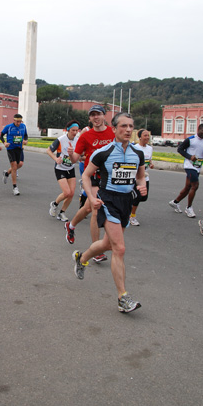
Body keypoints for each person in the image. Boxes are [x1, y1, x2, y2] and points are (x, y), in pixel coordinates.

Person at [72, 112, 146, 313]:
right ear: (114, 129)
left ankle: (82, 258)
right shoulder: (103, 152)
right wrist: (92, 197)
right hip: (108, 200)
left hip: (125, 202)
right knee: (119, 248)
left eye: (131, 126)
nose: (128, 130)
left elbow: (140, 176)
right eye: (123, 126)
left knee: (107, 244)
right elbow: (86, 176)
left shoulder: (137, 153)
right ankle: (123, 297)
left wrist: (141, 186)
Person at [64, 105, 115, 258]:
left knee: (87, 208)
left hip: (109, 176)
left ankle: (70, 225)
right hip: (91, 174)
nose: (95, 117)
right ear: (89, 118)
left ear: (104, 116)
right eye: (92, 115)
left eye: (98, 114)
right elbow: (75, 159)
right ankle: (96, 251)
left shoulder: (112, 132)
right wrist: (72, 154)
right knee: (95, 209)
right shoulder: (86, 136)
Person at [168, 124, 203, 218]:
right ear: (199, 129)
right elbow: (180, 149)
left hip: (198, 166)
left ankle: (175, 202)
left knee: (188, 187)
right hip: (189, 165)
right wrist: (189, 157)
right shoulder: (190, 139)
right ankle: (189, 207)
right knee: (195, 185)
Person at [47, 121, 79, 221]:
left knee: (72, 193)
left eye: (76, 130)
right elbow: (49, 150)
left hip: (70, 168)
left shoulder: (78, 140)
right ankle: (54, 204)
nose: (75, 132)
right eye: (73, 130)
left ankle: (62, 212)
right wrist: (56, 159)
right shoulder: (60, 140)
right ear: (68, 130)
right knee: (66, 192)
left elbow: (79, 154)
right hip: (60, 169)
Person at [129, 129, 154, 226]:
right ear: (140, 137)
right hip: (135, 177)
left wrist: (151, 164)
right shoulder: (134, 148)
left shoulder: (150, 148)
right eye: (145, 135)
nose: (147, 137)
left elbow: (149, 160)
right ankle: (132, 216)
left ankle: (129, 205)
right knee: (138, 197)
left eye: (148, 136)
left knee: (144, 197)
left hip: (145, 177)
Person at [1, 114, 28, 196]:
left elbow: (26, 135)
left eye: (20, 121)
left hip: (19, 148)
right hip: (11, 148)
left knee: (20, 164)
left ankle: (7, 173)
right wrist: (4, 143)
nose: (18, 123)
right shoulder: (8, 127)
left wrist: (25, 140)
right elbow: (1, 135)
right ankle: (15, 187)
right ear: (14, 120)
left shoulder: (23, 126)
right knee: (14, 166)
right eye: (17, 121)